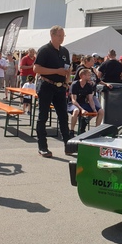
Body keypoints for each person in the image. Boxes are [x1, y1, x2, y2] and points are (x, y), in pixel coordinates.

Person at [33, 26, 72, 157]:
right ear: (52, 35)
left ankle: (68, 145)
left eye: (63, 36)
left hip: (60, 87)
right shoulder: (44, 50)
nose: (61, 38)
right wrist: (56, 71)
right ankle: (42, 146)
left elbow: (68, 69)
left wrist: (67, 82)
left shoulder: (65, 51)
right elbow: (36, 68)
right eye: (59, 36)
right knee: (43, 116)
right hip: (46, 85)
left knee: (63, 116)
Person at [68, 68, 104, 137]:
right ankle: (72, 131)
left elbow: (90, 99)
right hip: (73, 104)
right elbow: (73, 100)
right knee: (76, 111)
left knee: (101, 111)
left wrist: (94, 110)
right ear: (82, 76)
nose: (90, 77)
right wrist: (82, 109)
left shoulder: (88, 86)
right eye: (88, 75)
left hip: (83, 104)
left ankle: (96, 132)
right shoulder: (75, 84)